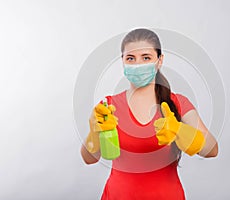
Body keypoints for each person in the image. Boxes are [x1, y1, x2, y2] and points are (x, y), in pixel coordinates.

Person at [80, 28, 218, 200]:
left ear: (159, 61)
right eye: (131, 58)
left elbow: (212, 150)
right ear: (122, 61)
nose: (138, 64)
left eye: (146, 57)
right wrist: (94, 133)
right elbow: (89, 159)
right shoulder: (108, 106)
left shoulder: (178, 103)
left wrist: (180, 130)